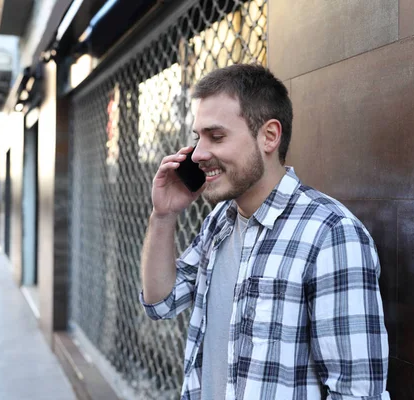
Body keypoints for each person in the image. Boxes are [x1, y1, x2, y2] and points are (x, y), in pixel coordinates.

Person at [139, 64, 389, 400]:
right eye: (198, 137)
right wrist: (163, 215)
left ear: (269, 136)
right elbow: (161, 302)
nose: (197, 153)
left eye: (216, 136)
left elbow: (357, 393)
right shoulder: (221, 221)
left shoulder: (330, 235)